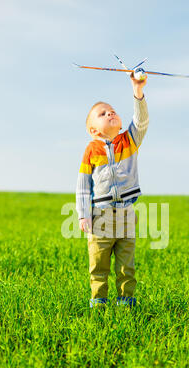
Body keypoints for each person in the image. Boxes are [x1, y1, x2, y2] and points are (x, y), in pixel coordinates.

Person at [76, 72, 149, 308]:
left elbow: (141, 121)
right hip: (101, 218)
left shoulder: (130, 140)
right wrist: (83, 214)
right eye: (102, 113)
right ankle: (99, 302)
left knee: (127, 265)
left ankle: (126, 301)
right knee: (99, 264)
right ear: (93, 130)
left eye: (112, 110)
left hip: (126, 215)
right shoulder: (91, 150)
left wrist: (137, 91)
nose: (110, 112)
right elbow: (83, 185)